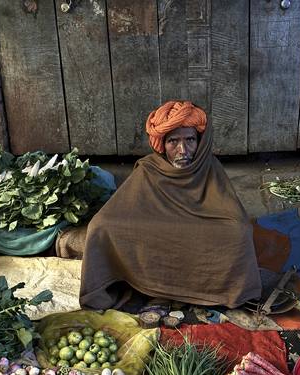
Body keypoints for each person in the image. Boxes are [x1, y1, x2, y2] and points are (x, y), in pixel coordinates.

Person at [79, 100, 262, 309]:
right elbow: (113, 215)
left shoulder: (209, 166)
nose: (182, 150)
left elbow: (233, 216)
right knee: (100, 227)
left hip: (203, 224)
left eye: (190, 140)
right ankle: (150, 286)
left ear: (200, 141)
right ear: (162, 145)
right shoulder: (149, 168)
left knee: (239, 232)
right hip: (157, 226)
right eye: (173, 141)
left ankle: (205, 291)